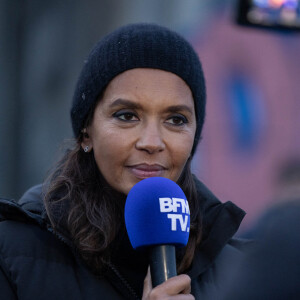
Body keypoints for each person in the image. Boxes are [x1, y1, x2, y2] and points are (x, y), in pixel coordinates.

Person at [0, 23, 248, 300]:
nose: (152, 142)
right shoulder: (11, 252)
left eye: (176, 120)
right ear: (86, 132)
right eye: (127, 115)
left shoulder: (243, 272)